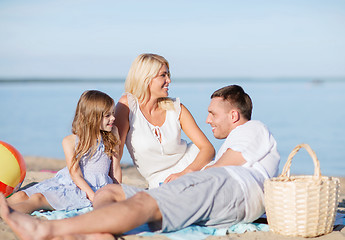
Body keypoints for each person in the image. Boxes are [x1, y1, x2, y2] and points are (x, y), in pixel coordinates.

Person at [0, 85, 280, 240]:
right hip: (218, 188)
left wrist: (184, 176)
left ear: (233, 116)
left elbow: (224, 168)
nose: (207, 119)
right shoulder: (238, 141)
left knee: (145, 204)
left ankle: (52, 229)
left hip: (229, 186)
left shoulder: (252, 129)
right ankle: (99, 225)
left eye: (212, 113)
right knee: (110, 192)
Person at [5, 90, 121, 214]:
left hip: (93, 189)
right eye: (107, 115)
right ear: (92, 117)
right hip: (72, 182)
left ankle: (6, 214)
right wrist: (93, 196)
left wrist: (116, 193)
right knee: (21, 195)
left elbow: (115, 169)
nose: (113, 118)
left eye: (113, 113)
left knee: (38, 199)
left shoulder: (112, 134)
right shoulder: (70, 141)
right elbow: (75, 174)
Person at [115, 53, 215, 188]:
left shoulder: (175, 108)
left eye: (168, 75)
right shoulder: (127, 106)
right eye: (163, 75)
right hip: (159, 180)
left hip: (193, 165)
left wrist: (186, 173)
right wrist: (113, 189)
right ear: (146, 78)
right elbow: (116, 154)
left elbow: (207, 148)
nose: (169, 80)